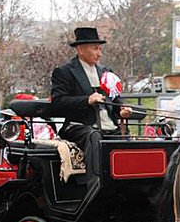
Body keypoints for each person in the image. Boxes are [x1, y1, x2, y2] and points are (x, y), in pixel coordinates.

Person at [50, 27, 145, 184]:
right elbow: (58, 103)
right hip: (79, 125)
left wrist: (121, 111)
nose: (99, 53)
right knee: (94, 136)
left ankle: (132, 183)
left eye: (100, 49)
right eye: (95, 49)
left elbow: (115, 100)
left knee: (126, 139)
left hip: (109, 126)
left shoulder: (106, 72)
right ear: (80, 49)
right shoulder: (64, 72)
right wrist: (87, 100)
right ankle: (95, 182)